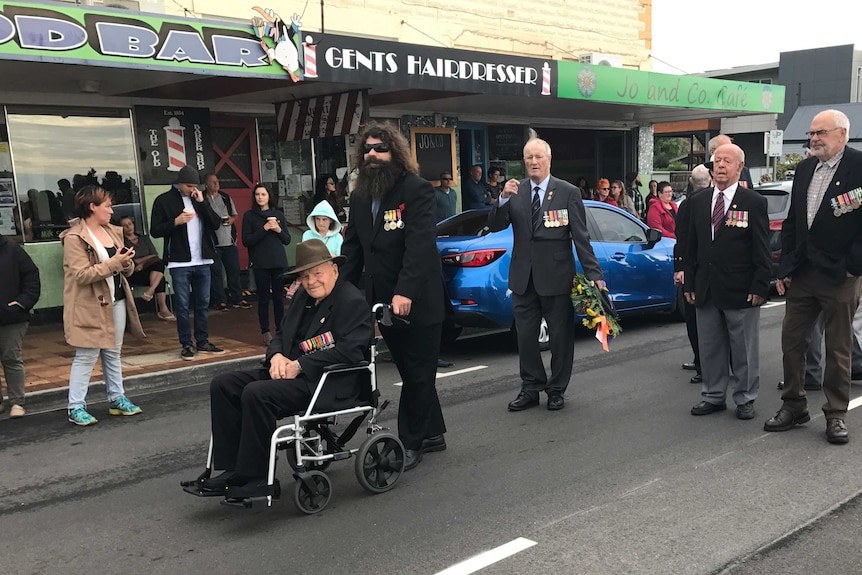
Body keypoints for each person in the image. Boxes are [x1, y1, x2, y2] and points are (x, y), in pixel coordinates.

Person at [200, 239, 373, 499]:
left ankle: (256, 477)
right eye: (304, 276)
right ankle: (232, 469)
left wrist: (300, 365)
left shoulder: (351, 300)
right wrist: (277, 356)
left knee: (257, 393)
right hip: (289, 371)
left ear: (334, 270)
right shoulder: (303, 296)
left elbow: (352, 350)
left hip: (323, 382)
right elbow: (282, 334)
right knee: (224, 384)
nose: (311, 281)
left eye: (317, 273)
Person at [341, 122, 447, 471]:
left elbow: (419, 246)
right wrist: (336, 292)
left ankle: (410, 443)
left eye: (380, 149)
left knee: (417, 374)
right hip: (382, 303)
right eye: (367, 149)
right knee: (411, 368)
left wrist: (405, 291)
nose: (373, 155)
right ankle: (433, 433)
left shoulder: (415, 190)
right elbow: (353, 249)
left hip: (417, 299)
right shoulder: (359, 196)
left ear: (395, 154)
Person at [764, 109, 862, 444]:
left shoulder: (859, 167)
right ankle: (794, 405)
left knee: (838, 348)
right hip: (804, 272)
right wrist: (785, 267)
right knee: (792, 341)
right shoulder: (805, 168)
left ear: (842, 134)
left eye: (821, 132)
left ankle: (836, 414)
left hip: (840, 275)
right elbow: (793, 223)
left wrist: (854, 266)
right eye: (811, 133)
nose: (814, 139)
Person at [489, 138, 605, 412]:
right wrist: (502, 199)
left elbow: (581, 237)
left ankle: (556, 389)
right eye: (528, 157)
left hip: (556, 276)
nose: (533, 162)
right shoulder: (515, 191)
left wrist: (594, 273)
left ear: (549, 160)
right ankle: (530, 387)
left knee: (560, 338)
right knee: (526, 338)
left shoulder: (567, 192)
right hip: (523, 277)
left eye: (538, 157)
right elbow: (494, 225)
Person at [683, 144, 771, 420]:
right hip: (706, 287)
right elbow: (690, 245)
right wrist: (689, 283)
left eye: (727, 161)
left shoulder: (753, 202)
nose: (720, 165)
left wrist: (760, 286)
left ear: (739, 167)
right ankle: (713, 395)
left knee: (743, 348)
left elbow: (761, 248)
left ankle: (745, 398)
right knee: (710, 347)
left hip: (741, 289)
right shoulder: (698, 201)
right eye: (716, 161)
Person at [60, 185, 144, 426]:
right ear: (92, 207)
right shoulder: (74, 237)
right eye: (106, 205)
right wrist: (115, 263)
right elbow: (81, 275)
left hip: (115, 301)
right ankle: (75, 406)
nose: (111, 210)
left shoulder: (112, 231)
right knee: (86, 354)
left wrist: (126, 262)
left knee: (113, 352)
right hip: (89, 305)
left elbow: (123, 269)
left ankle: (117, 398)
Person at [150, 165, 225, 361]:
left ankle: (202, 341)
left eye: (194, 185)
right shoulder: (163, 201)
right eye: (188, 185)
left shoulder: (198, 198)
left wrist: (203, 203)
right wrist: (175, 222)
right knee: (182, 305)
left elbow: (216, 224)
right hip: (179, 262)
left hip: (203, 259)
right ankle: (186, 344)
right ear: (179, 183)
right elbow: (155, 230)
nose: (192, 189)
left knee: (202, 303)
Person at [674, 164, 711, 385]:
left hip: (693, 269)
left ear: (690, 182)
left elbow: (681, 239)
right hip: (702, 269)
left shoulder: (686, 204)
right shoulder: (696, 203)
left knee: (695, 321)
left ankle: (701, 363)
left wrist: (680, 268)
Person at [242, 183, 291, 346]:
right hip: (260, 263)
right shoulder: (249, 216)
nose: (260, 197)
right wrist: (264, 228)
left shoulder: (278, 214)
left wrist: (277, 229)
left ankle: (280, 330)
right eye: (257, 194)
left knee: (278, 298)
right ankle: (265, 331)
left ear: (269, 196)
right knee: (263, 298)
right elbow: (246, 240)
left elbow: (287, 239)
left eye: (263, 194)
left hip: (278, 261)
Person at [0, 234, 40, 418]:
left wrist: (21, 303)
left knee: (11, 358)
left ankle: (17, 402)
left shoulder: (12, 249)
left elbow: (31, 278)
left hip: (12, 317)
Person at [204, 173, 251, 312]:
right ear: (206, 184)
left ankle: (237, 298)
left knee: (234, 271)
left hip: (229, 241)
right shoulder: (202, 199)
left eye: (217, 181)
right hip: (213, 243)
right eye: (212, 182)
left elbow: (235, 214)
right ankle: (220, 301)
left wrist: (232, 219)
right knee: (217, 273)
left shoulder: (225, 197)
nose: (216, 184)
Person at [119, 216, 174, 321]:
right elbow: (131, 260)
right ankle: (162, 308)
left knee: (159, 265)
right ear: (121, 228)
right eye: (125, 225)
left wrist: (142, 263)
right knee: (159, 275)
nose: (128, 227)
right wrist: (144, 260)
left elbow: (155, 255)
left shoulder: (144, 238)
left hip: (148, 271)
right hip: (133, 273)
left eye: (130, 224)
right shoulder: (122, 243)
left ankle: (151, 292)